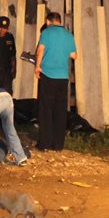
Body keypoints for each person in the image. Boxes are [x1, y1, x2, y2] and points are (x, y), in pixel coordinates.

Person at [34, 11, 77, 151]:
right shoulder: (69, 35)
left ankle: (44, 144)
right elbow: (74, 55)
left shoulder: (46, 33)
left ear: (48, 21)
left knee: (46, 110)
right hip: (63, 77)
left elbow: (40, 50)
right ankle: (58, 145)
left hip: (48, 75)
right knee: (60, 111)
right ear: (60, 21)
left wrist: (37, 67)